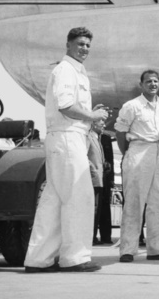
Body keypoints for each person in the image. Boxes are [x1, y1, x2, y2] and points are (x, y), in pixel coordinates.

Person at [24, 27, 108, 273]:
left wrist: (91, 118)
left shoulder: (76, 72)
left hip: (68, 138)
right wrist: (92, 115)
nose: (85, 49)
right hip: (67, 139)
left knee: (54, 200)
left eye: (88, 45)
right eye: (80, 44)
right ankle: (75, 258)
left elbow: (71, 108)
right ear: (68, 45)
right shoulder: (65, 70)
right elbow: (66, 105)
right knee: (78, 197)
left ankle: (38, 260)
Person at [115, 70, 159, 262]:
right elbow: (120, 132)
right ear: (141, 85)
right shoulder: (132, 106)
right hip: (138, 149)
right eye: (149, 81)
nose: (153, 84)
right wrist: (129, 154)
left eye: (156, 81)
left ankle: (158, 249)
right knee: (134, 201)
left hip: (158, 151)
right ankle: (127, 249)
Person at [87, 118, 106, 244]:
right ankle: (90, 237)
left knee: (96, 210)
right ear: (93, 124)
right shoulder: (88, 137)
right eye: (101, 123)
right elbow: (84, 156)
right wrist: (94, 171)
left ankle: (93, 236)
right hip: (92, 180)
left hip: (99, 180)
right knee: (92, 210)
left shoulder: (97, 138)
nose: (104, 125)